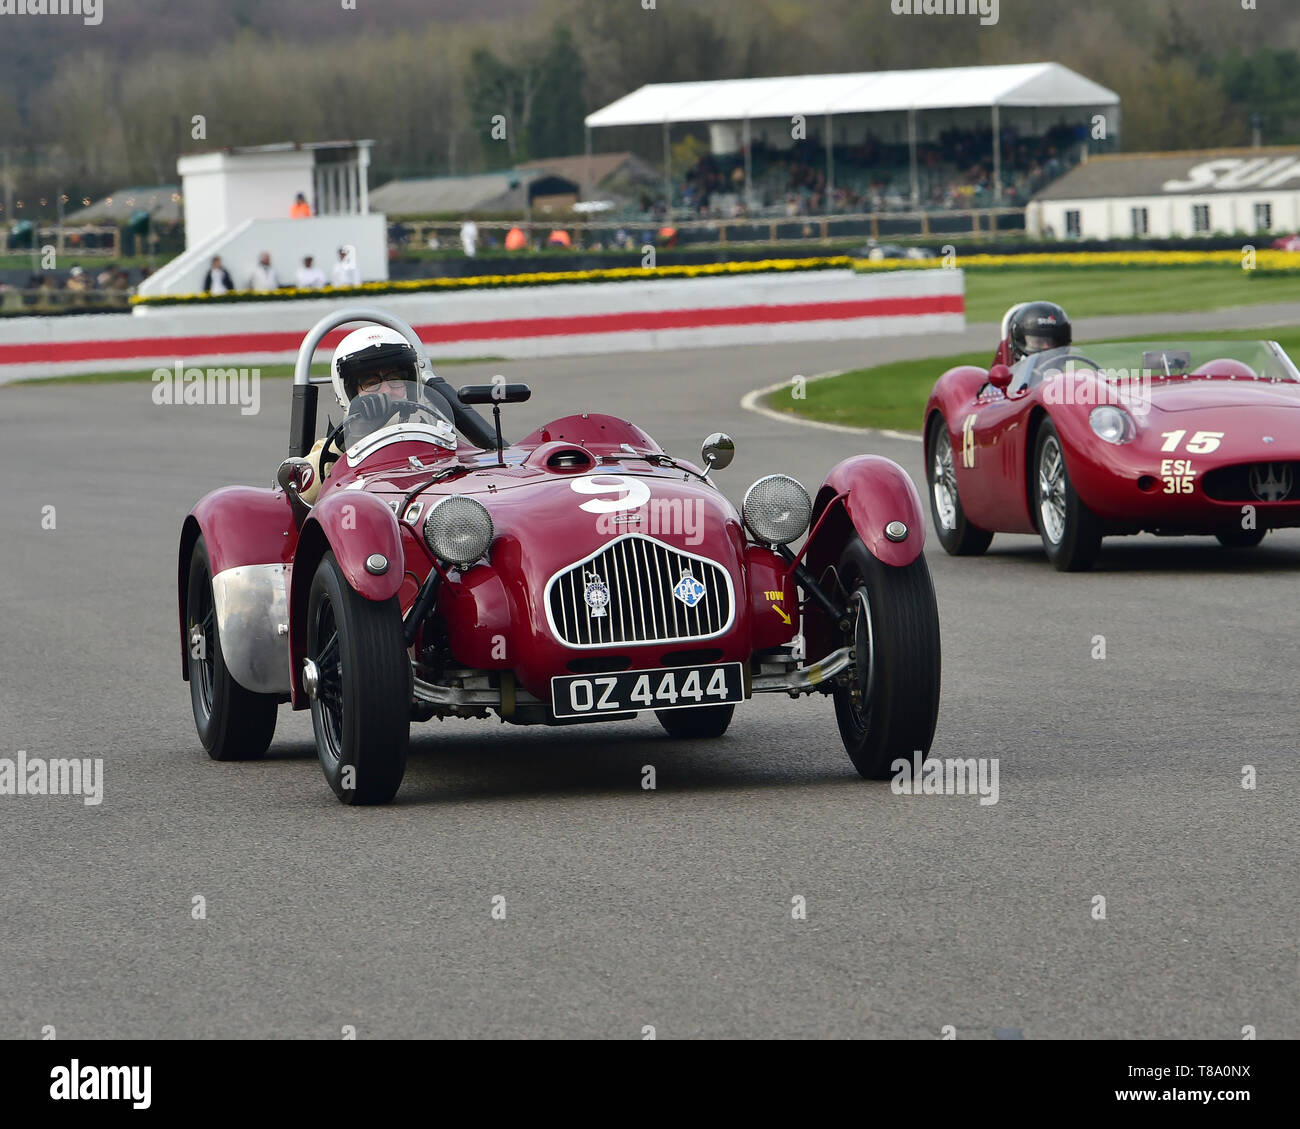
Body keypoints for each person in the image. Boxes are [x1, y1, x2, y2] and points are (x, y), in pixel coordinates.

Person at [298, 327, 453, 504]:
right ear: (349, 391)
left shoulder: (434, 433)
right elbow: (302, 494)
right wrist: (352, 439)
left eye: (395, 379)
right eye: (371, 383)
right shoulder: (333, 448)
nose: (386, 391)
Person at [994, 301, 1072, 368]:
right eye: (1039, 342)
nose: (1046, 347)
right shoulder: (1012, 382)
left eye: (1054, 342)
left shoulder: (1071, 378)